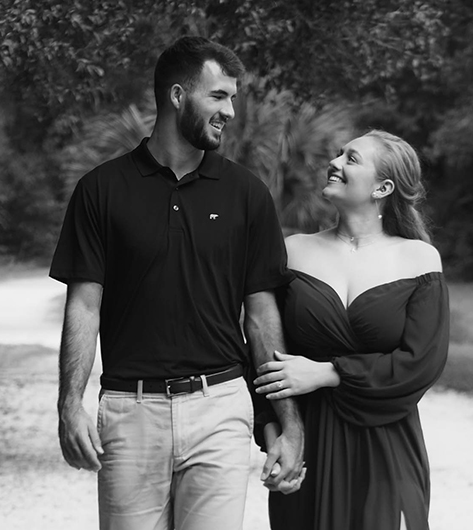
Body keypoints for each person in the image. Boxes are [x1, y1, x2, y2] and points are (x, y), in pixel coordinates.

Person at [49, 36, 304, 530]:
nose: (231, 110)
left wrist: (286, 424)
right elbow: (83, 306)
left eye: (232, 97)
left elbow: (262, 316)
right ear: (177, 96)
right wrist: (68, 404)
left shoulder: (247, 194)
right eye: (219, 96)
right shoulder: (100, 190)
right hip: (129, 410)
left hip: (221, 407)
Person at [254, 129, 450, 530]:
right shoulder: (293, 251)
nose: (335, 162)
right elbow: (258, 351)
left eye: (352, 158)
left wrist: (329, 373)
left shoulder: (418, 259)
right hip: (308, 445)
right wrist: (275, 434)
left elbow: (421, 364)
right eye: (339, 154)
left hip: (387, 447)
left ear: (383, 187)